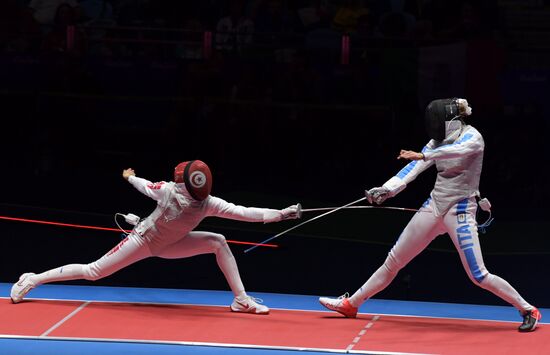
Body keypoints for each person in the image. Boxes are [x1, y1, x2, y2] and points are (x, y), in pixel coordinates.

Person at [319, 98, 542, 332]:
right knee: (394, 260)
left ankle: (528, 309)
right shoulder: (436, 142)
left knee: (478, 275)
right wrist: (386, 189)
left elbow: (457, 150)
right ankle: (351, 304)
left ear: (450, 120)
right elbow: (411, 169)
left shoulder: (473, 137)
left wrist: (425, 156)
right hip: (434, 206)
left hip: (461, 210)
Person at [11, 160, 301, 315]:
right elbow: (143, 185)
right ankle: (32, 278)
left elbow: (244, 212)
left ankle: (241, 300)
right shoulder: (169, 192)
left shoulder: (207, 202)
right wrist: (129, 177)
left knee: (218, 241)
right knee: (94, 272)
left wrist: (281, 214)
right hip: (144, 240)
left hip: (172, 244)